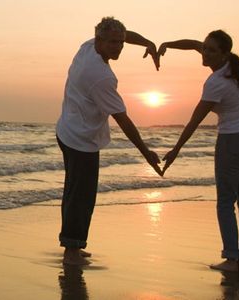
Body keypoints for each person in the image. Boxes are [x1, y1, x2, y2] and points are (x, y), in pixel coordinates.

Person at [56, 17, 162, 266]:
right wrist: (146, 152)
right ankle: (72, 250)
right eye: (113, 43)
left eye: (121, 43)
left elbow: (125, 35)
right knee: (81, 197)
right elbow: (122, 119)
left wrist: (147, 42)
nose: (119, 47)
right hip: (81, 139)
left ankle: (72, 244)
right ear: (99, 40)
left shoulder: (87, 47)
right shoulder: (100, 77)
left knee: (74, 192)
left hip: (68, 130)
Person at [158, 30, 239, 272]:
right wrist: (168, 43)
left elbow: (195, 120)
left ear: (223, 53)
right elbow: (193, 43)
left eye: (210, 50)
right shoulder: (233, 66)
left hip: (235, 141)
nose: (204, 52)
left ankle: (231, 259)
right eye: (205, 48)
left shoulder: (216, 82)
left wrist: (176, 149)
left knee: (226, 201)